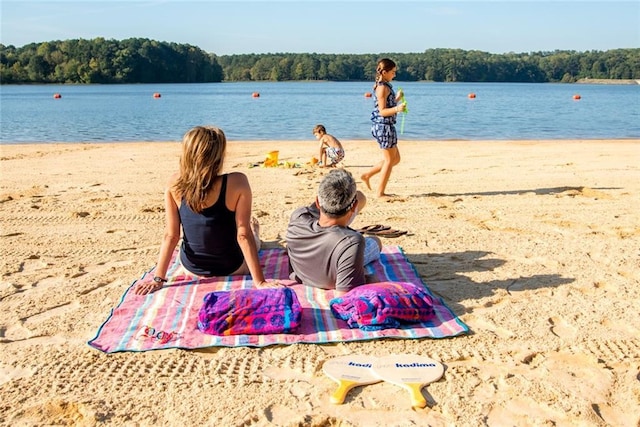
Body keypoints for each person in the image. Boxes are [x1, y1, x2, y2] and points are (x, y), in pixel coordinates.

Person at [134, 125, 277, 295]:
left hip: (192, 268)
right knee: (251, 235)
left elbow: (171, 236)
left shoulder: (174, 183)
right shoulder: (238, 181)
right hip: (232, 267)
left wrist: (158, 279)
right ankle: (256, 230)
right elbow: (242, 236)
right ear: (218, 156)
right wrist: (260, 282)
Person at [285, 169, 381, 296]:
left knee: (360, 196)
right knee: (376, 242)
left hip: (303, 272)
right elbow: (344, 297)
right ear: (354, 206)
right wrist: (371, 281)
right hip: (337, 259)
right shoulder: (352, 243)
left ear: (318, 202)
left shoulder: (298, 216)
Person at [361, 58, 406, 199]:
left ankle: (367, 175)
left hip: (387, 126)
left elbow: (387, 105)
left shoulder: (386, 86)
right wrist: (398, 109)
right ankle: (380, 193)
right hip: (383, 127)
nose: (395, 75)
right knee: (389, 160)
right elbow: (382, 111)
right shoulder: (382, 88)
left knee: (395, 159)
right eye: (393, 72)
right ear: (385, 72)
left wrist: (397, 99)